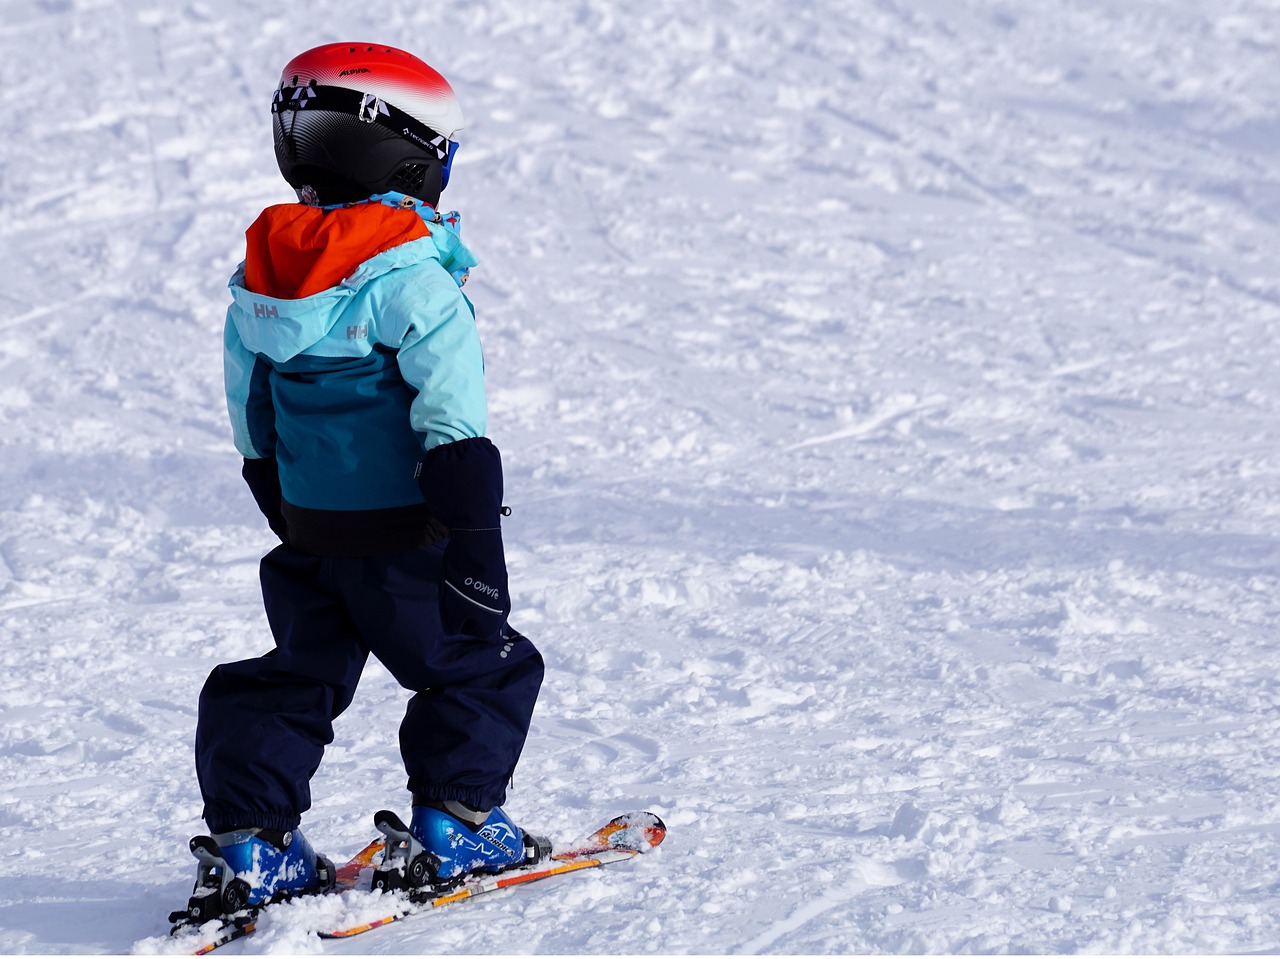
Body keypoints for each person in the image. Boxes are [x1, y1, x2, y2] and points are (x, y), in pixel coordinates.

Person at [184, 42, 545, 915]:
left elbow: (249, 405)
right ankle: (457, 822)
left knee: (293, 674)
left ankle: (252, 842)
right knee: (482, 667)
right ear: (414, 159)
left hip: (310, 527)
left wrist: (279, 494)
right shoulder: (413, 277)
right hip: (407, 532)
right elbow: (452, 419)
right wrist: (472, 543)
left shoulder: (263, 277)